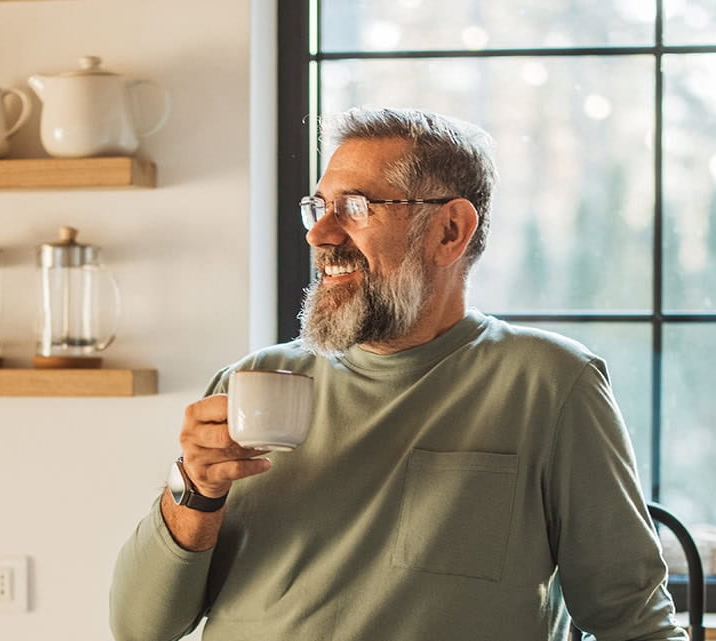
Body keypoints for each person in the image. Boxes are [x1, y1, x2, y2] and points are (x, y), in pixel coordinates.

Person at [109, 107, 685, 641]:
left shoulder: (549, 383)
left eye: (355, 208)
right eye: (318, 207)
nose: (320, 234)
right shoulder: (255, 380)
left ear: (449, 231)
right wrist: (195, 491)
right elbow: (142, 626)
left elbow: (633, 623)